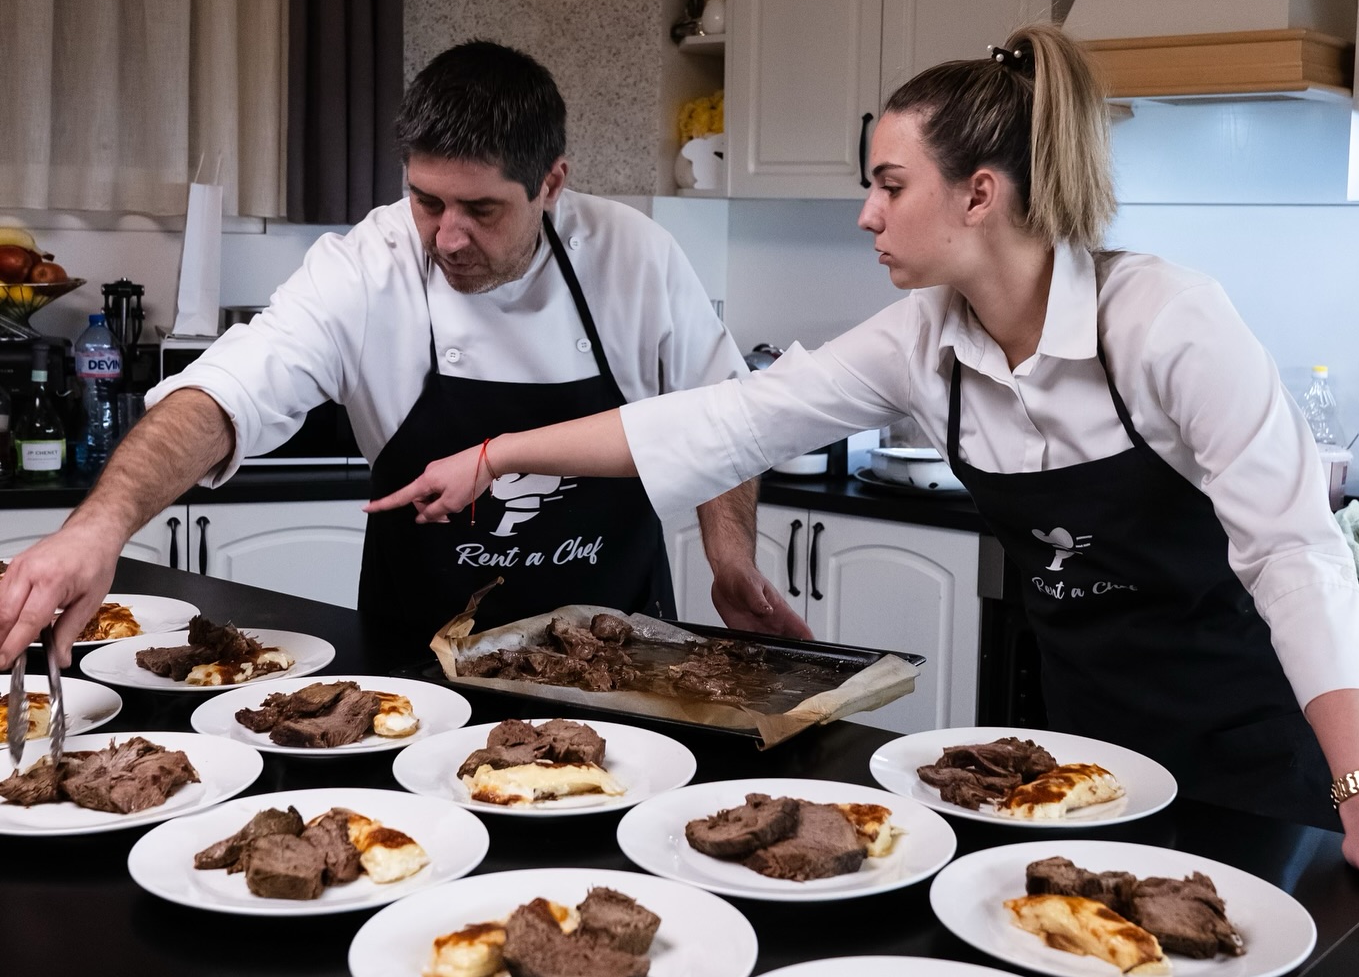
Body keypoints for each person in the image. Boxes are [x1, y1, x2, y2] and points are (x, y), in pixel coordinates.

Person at [370, 24, 1359, 970]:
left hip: (1252, 741)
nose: (867, 214)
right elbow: (728, 419)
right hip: (1080, 753)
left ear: (979, 193)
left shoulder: (1163, 321)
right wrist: (502, 453)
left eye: (889, 184)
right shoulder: (924, 340)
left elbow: (1295, 554)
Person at [0, 39, 807, 671]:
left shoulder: (637, 257)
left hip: (615, 658)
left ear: (552, 182)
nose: (447, 236)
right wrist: (98, 528)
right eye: (426, 200)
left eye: (482, 209)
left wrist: (729, 559)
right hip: (417, 671)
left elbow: (723, 418)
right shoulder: (368, 264)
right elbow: (224, 394)